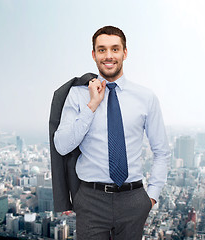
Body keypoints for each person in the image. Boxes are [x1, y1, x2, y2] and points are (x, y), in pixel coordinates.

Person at [54, 26, 170, 240]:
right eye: (102, 50)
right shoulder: (78, 95)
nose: (108, 56)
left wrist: (151, 198)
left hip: (133, 198)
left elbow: (161, 151)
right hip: (91, 199)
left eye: (115, 49)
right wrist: (92, 106)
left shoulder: (145, 97)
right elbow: (61, 145)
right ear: (94, 55)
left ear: (125, 53)